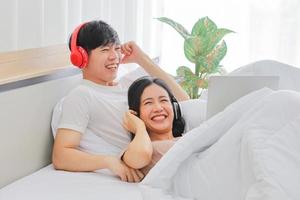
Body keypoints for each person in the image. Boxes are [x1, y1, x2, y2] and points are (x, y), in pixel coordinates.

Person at [52, 20, 189, 183]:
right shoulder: (82, 95)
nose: (114, 56)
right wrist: (109, 161)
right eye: (104, 50)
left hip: (175, 142)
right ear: (81, 57)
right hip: (148, 154)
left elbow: (184, 102)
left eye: (117, 48)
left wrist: (141, 58)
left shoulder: (128, 84)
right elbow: (61, 155)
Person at [122, 76, 186, 174]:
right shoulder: (138, 149)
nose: (158, 108)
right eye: (148, 103)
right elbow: (138, 158)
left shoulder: (191, 137)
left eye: (163, 100)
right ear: (136, 113)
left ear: (174, 107)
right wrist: (139, 127)